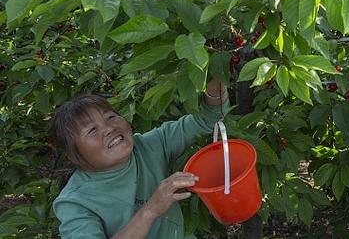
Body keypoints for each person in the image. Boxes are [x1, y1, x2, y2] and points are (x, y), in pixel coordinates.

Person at [51, 78, 229, 239]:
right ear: (74, 154)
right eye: (92, 130)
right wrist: (151, 209)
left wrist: (214, 83)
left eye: (110, 117)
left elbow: (207, 119)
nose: (108, 128)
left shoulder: (149, 146)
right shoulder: (75, 202)